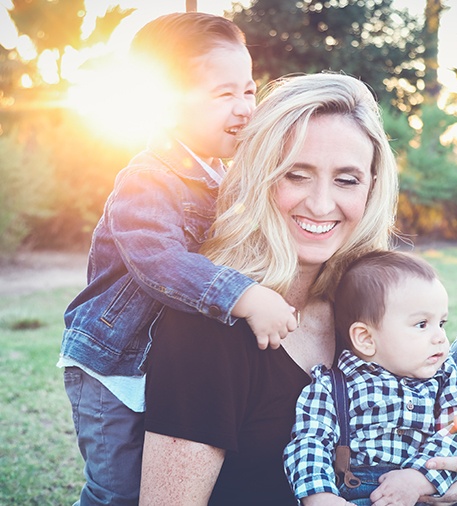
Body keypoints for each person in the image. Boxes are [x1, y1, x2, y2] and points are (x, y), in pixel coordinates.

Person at [139, 73, 457, 506]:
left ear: (370, 187)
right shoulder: (208, 327)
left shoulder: (363, 292)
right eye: (296, 173)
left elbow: (443, 392)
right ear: (260, 176)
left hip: (411, 484)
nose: (322, 203)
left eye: (346, 179)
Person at [58, 13, 298, 506]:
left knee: (165, 478)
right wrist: (244, 295)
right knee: (118, 491)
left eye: (249, 91)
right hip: (113, 369)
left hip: (161, 365)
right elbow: (159, 262)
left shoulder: (219, 176)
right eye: (223, 95)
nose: (244, 108)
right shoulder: (147, 179)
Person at [284, 250, 457, 506]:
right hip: (360, 493)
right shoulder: (332, 386)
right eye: (422, 324)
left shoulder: (447, 376)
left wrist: (419, 478)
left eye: (441, 323)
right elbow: (309, 442)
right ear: (366, 339)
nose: (440, 337)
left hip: (429, 490)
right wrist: (321, 496)